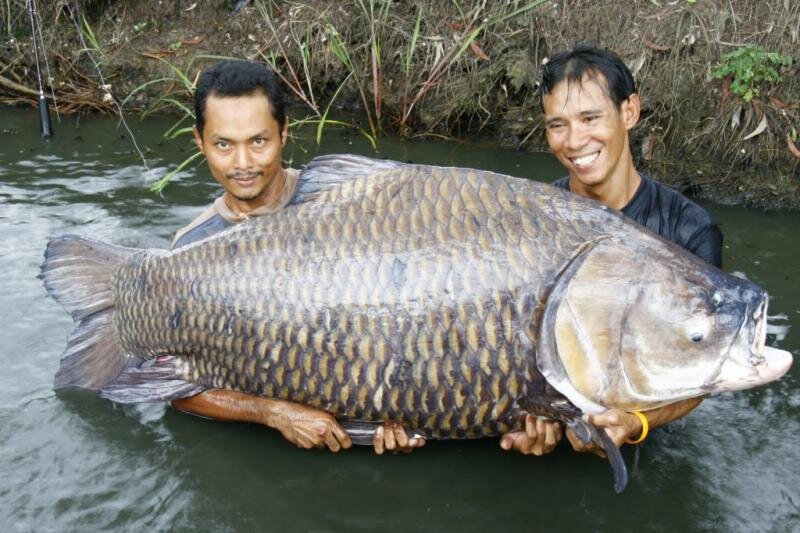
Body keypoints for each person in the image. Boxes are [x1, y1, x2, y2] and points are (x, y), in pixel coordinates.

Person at [169, 59, 423, 455]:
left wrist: (408, 408)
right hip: (260, 462)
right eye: (223, 144)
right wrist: (274, 413)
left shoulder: (346, 202)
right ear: (199, 141)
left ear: (284, 133)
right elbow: (176, 389)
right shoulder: (189, 250)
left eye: (258, 141)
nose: (243, 164)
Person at [500, 44, 723, 458]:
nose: (574, 141)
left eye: (590, 118)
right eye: (557, 125)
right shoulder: (530, 222)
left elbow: (705, 362)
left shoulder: (688, 229)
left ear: (629, 112)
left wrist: (637, 423)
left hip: (646, 447)